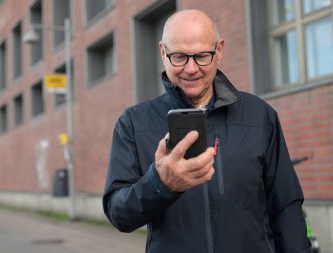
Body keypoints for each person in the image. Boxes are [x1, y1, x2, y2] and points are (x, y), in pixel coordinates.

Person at [103, 9, 311, 253]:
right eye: (179, 57)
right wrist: (158, 184)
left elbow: (286, 207)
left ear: (219, 51)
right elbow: (119, 214)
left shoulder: (260, 116)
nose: (191, 69)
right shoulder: (133, 123)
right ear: (163, 52)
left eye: (202, 56)